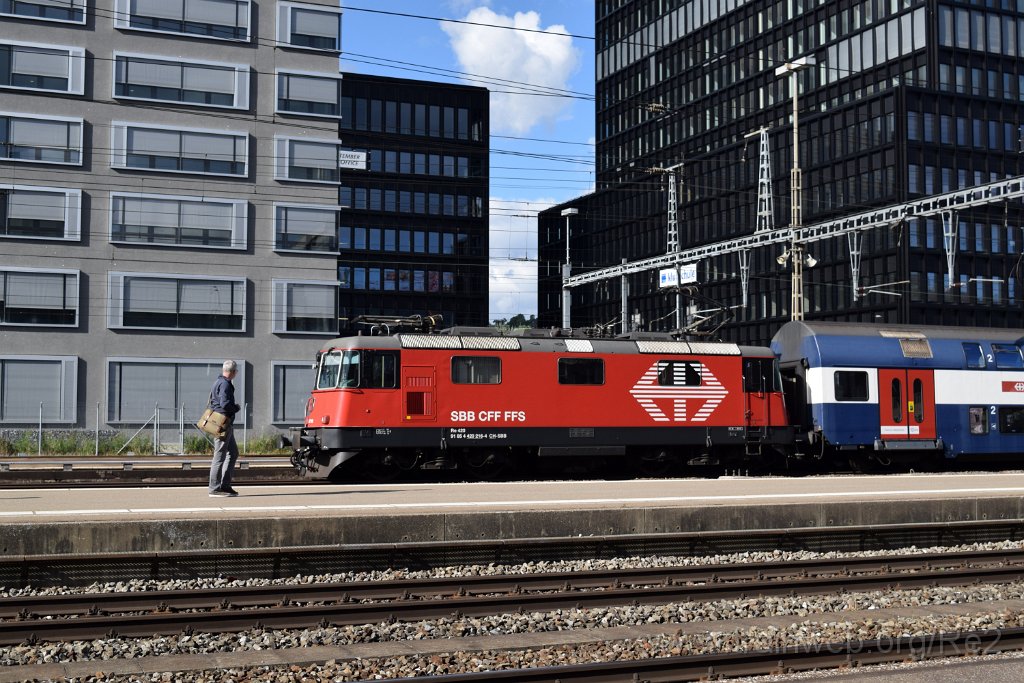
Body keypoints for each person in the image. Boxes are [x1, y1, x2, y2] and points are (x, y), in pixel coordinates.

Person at [208, 360, 241, 497]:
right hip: (223, 423)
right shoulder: (225, 384)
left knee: (233, 453)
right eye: (236, 372)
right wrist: (236, 408)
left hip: (222, 423)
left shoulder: (218, 382)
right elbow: (225, 403)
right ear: (233, 372)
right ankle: (214, 488)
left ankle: (225, 485)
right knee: (219, 455)